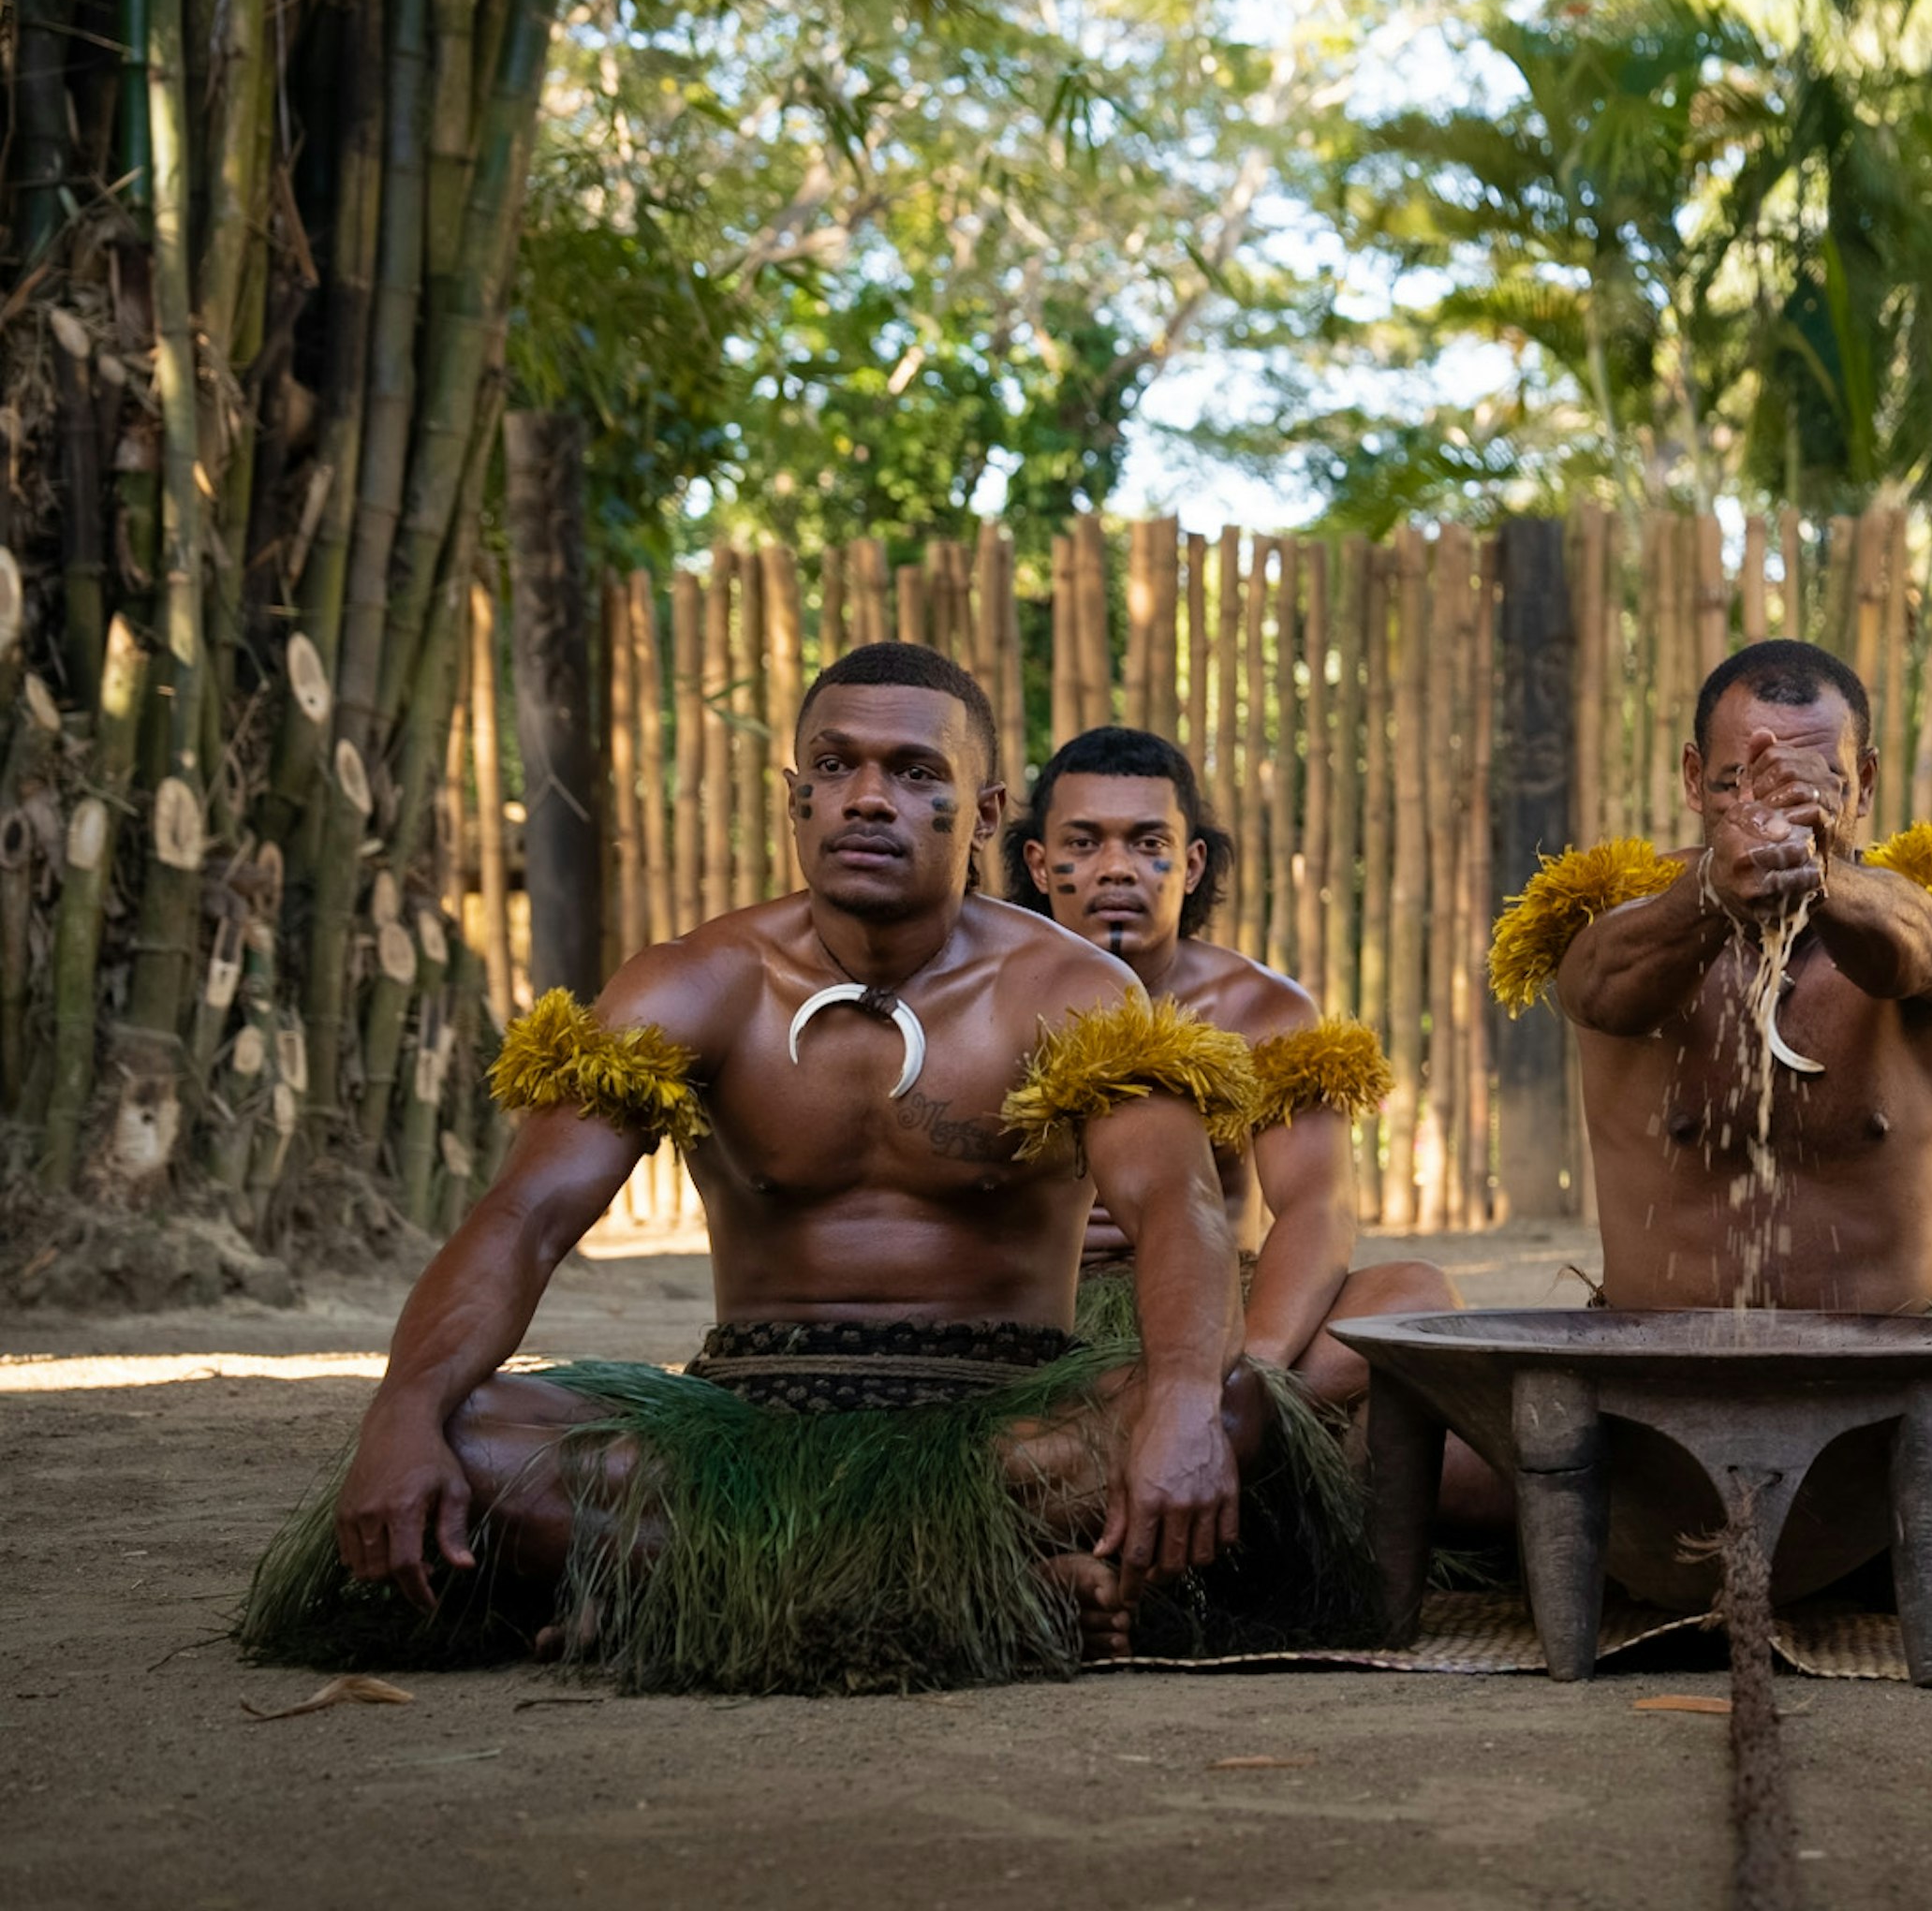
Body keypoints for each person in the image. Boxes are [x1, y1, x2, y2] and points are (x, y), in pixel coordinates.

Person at [238, 643, 1267, 1690]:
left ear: (989, 813)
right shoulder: (695, 984)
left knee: (1235, 1406)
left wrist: (1180, 1399)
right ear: (794, 796)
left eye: (916, 773)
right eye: (834, 766)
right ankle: (982, 1593)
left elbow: (1179, 1211)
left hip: (1002, 1429)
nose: (868, 799)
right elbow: (526, 1218)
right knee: (465, 1433)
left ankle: (680, 1592)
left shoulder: (1073, 990)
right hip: (742, 1423)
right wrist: (402, 1412)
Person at [1483, 638, 1932, 1599]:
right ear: (1689, 779)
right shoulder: (1622, 916)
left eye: (1810, 789)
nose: (1766, 816)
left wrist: (1820, 869)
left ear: (1867, 781)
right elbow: (1596, 987)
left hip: (1884, 1412)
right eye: (1737, 788)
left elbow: (1925, 953)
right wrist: (1713, 892)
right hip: (1651, 1408)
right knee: (1424, 1440)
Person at [1009, 725, 1497, 1522]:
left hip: (1227, 1317)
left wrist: (1249, 1379)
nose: (1117, 867)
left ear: (1192, 862)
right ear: (1038, 862)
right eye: (1084, 842)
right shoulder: (987, 994)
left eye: (1148, 842)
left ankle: (1190, 1442)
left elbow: (1316, 1206)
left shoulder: (1262, 1011)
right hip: (1050, 1335)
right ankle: (1214, 1470)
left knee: (1415, 1294)